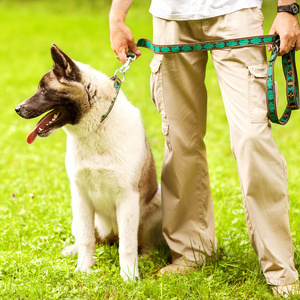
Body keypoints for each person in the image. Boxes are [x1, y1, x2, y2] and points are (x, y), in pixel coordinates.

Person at [109, 0, 300, 296]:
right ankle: (191, 252)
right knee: (180, 141)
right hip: (170, 18)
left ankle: (280, 267)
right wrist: (117, 15)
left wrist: (288, 10)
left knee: (252, 140)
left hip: (236, 13)